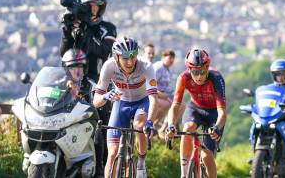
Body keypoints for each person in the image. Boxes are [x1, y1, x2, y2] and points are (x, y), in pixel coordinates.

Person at [60, 0, 116, 177]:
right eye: (87, 5)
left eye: (93, 5)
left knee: (101, 126)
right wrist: (68, 32)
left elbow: (104, 51)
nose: (89, 9)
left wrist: (85, 32)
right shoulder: (78, 25)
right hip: (76, 82)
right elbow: (64, 53)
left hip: (99, 81)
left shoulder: (108, 28)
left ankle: (101, 169)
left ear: (100, 8)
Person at [92, 37, 157, 178]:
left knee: (139, 125)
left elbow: (153, 98)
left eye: (133, 56)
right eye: (125, 57)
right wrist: (105, 96)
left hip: (142, 101)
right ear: (116, 57)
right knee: (113, 152)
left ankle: (140, 163)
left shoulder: (145, 66)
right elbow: (95, 101)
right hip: (121, 103)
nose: (130, 61)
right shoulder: (109, 66)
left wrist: (150, 121)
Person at [165, 48, 226, 178]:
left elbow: (222, 112)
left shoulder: (216, 78)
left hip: (214, 114)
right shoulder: (183, 78)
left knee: (205, 155)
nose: (199, 76)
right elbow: (175, 105)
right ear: (189, 69)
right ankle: (184, 174)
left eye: (203, 72)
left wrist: (217, 128)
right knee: (187, 128)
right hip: (196, 109)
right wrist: (170, 125)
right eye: (195, 72)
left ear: (207, 68)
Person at [152, 49, 177, 130]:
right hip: (155, 94)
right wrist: (161, 95)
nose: (171, 60)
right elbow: (150, 85)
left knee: (180, 105)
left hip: (165, 95)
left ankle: (164, 127)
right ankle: (152, 124)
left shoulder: (168, 69)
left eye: (173, 58)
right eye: (169, 58)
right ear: (163, 57)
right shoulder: (158, 67)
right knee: (168, 104)